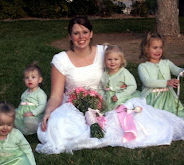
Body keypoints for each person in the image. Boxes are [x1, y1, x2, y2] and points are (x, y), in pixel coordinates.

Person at [36, 16, 184, 155]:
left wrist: (119, 92)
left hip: (107, 101)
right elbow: (56, 95)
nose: (81, 37)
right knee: (58, 128)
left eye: (85, 32)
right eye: (76, 33)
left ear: (91, 33)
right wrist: (49, 111)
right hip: (75, 105)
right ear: (70, 36)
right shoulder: (61, 60)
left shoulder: (103, 52)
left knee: (140, 124)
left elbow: (120, 71)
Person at [138, 32, 184, 117]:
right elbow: (147, 82)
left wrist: (182, 71)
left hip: (168, 97)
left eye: (160, 47)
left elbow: (178, 70)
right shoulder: (143, 66)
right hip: (152, 98)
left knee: (175, 116)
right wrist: (167, 82)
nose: (158, 50)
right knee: (154, 117)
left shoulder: (166, 63)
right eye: (155, 48)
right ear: (146, 49)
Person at [100, 44, 140, 112]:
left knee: (120, 112)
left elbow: (133, 86)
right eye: (109, 59)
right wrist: (101, 98)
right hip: (109, 101)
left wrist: (119, 95)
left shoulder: (124, 73)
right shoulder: (105, 74)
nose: (112, 62)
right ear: (105, 61)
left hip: (122, 99)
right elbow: (101, 88)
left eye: (116, 59)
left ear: (121, 60)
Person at [14, 61, 47, 135]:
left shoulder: (40, 93)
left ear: (39, 80)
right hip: (23, 113)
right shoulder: (25, 93)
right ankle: (17, 125)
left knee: (29, 120)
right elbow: (22, 105)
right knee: (12, 114)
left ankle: (33, 127)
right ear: (24, 80)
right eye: (27, 78)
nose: (29, 79)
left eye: (33, 77)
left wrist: (33, 113)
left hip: (34, 115)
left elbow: (43, 105)